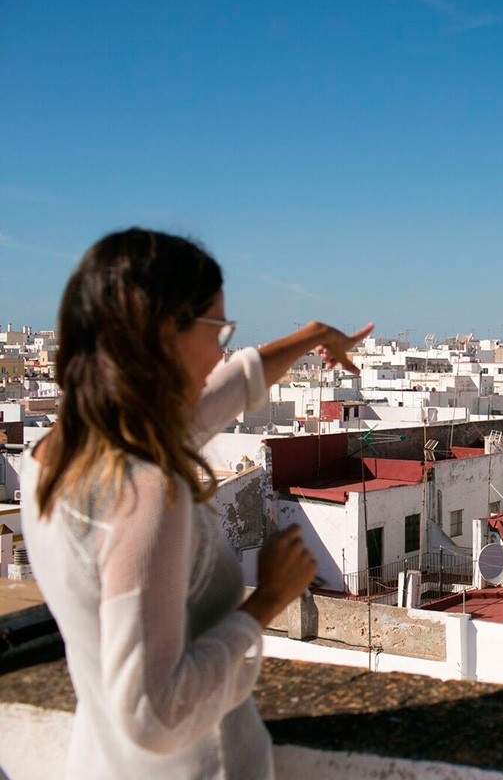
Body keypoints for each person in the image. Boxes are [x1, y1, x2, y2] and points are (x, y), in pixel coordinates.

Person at [19, 228, 373, 779]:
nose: (221, 349)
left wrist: (312, 337)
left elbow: (230, 387)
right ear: (165, 331)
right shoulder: (144, 490)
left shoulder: (52, 456)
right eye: (217, 329)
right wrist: (268, 600)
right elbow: (154, 715)